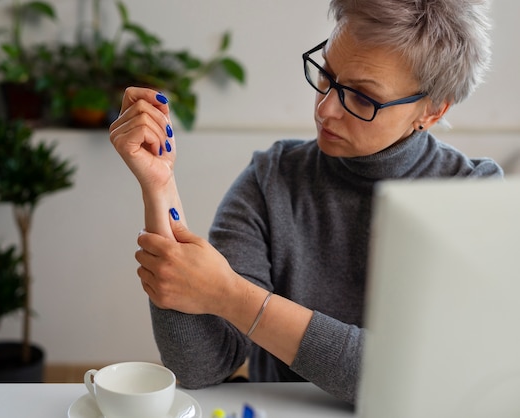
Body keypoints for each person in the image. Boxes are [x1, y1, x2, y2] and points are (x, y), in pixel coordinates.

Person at [109, 0, 503, 405]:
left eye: (363, 98)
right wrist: (159, 186)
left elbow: (418, 378)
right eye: (327, 75)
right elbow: (202, 368)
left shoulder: (472, 195)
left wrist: (232, 296)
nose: (325, 109)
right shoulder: (271, 178)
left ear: (433, 110)